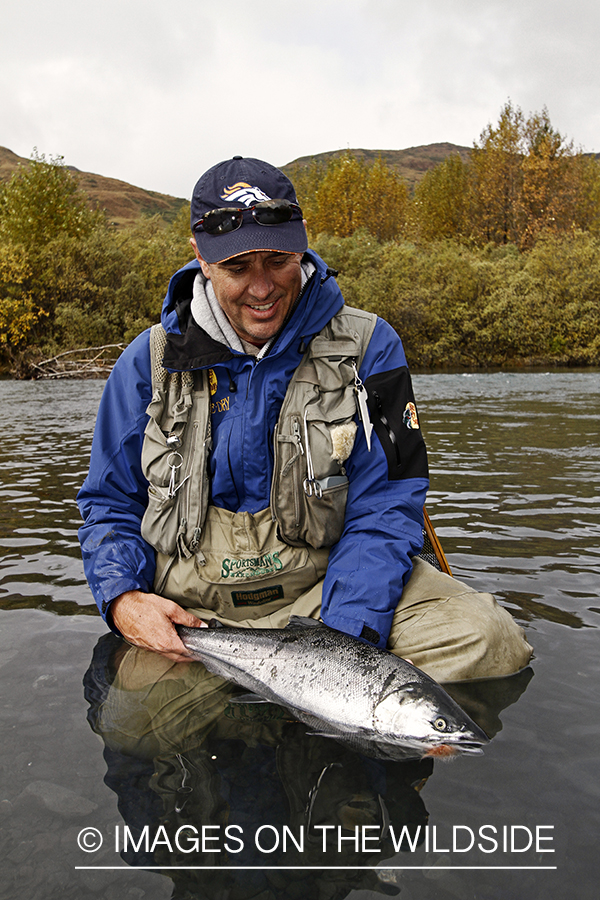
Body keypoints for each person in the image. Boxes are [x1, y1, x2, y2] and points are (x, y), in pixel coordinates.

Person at [78, 156, 532, 681]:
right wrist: (122, 598)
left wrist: (342, 649)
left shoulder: (370, 347)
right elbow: (109, 503)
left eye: (277, 260)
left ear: (302, 243)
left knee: (489, 639)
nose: (262, 287)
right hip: (194, 619)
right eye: (237, 267)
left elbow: (385, 505)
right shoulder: (148, 362)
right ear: (201, 258)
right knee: (135, 726)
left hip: (328, 596)